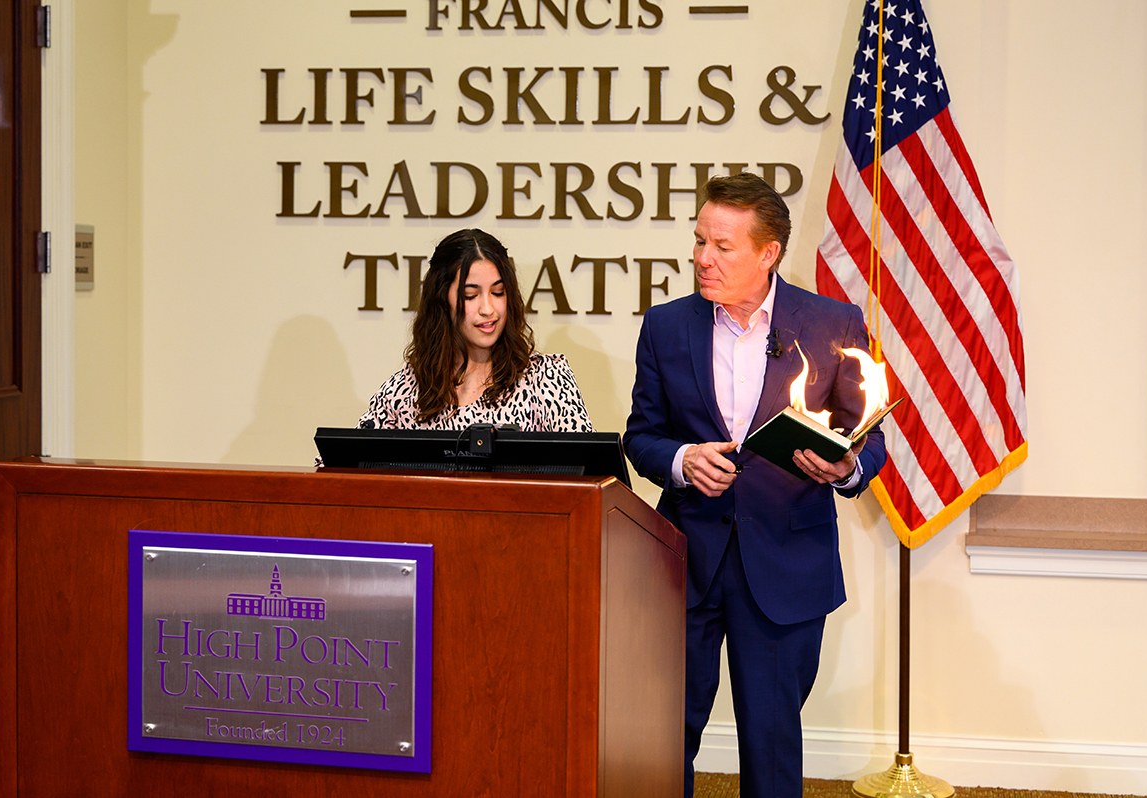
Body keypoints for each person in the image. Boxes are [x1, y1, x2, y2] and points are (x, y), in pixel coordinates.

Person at [623, 173, 888, 798]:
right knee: (661, 736)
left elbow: (870, 438)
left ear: (767, 253)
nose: (701, 258)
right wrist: (683, 459)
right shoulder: (665, 327)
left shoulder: (833, 323)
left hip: (785, 563)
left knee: (771, 746)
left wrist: (844, 467)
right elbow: (641, 435)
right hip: (684, 563)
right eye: (698, 241)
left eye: (721, 246)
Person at [359, 228, 595, 432]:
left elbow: (592, 471)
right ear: (442, 300)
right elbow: (337, 469)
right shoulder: (410, 386)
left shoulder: (545, 379)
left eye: (498, 292)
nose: (488, 309)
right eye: (470, 295)